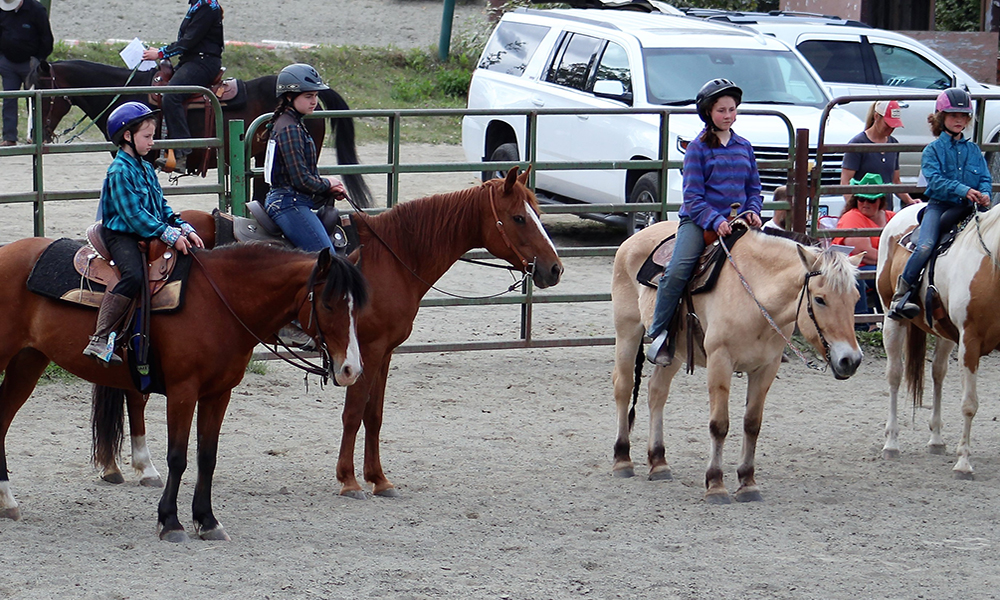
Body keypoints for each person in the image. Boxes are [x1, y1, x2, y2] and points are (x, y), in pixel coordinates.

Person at [645, 78, 763, 366]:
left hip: (738, 224)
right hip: (699, 222)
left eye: (732, 110)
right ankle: (660, 334)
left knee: (768, 265)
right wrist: (715, 219)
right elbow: (693, 196)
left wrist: (753, 210)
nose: (728, 115)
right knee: (677, 271)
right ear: (708, 112)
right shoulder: (698, 148)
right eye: (722, 110)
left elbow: (753, 189)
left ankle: (766, 335)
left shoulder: (744, 146)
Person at [83, 101, 204, 364]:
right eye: (147, 137)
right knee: (133, 276)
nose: (152, 142)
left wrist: (181, 225)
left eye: (153, 136)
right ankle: (100, 338)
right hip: (122, 235)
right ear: (128, 136)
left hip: (146, 230)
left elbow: (161, 206)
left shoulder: (147, 168)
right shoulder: (119, 170)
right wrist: (168, 234)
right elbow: (134, 216)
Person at [888, 88, 992, 321]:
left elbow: (985, 178)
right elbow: (935, 181)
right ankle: (901, 294)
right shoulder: (932, 151)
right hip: (940, 206)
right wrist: (964, 190)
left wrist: (985, 194)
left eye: (963, 116)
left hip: (971, 208)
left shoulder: (974, 150)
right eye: (953, 115)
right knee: (925, 245)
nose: (959, 120)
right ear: (941, 117)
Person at [262, 63, 348, 252]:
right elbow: (301, 179)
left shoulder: (289, 123)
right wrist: (328, 183)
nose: (314, 101)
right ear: (290, 97)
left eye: (316, 96)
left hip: (289, 199)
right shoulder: (290, 128)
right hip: (289, 203)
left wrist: (326, 189)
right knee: (330, 260)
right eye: (308, 96)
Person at [142, 0, 224, 173]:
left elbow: (189, 41)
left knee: (171, 95)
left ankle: (182, 153)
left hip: (202, 62)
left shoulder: (207, 7)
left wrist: (160, 53)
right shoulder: (200, 5)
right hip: (193, 60)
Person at [832, 172, 895, 319]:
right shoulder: (852, 216)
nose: (865, 203)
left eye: (871, 200)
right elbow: (864, 254)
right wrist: (896, 262)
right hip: (854, 268)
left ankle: (892, 320)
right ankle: (863, 324)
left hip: (883, 265)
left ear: (880, 201)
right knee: (884, 276)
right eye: (861, 198)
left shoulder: (891, 216)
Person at [840, 100, 918, 212]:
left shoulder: (893, 144)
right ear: (876, 117)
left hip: (885, 210)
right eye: (888, 125)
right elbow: (845, 181)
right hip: (865, 209)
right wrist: (855, 211)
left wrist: (910, 201)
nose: (891, 129)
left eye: (894, 126)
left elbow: (895, 180)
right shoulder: (858, 144)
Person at [0, 0, 52, 146]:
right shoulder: (2, 11)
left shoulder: (36, 9)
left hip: (31, 63)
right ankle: (9, 137)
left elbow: (46, 38)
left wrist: (38, 61)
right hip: (8, 63)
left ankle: (35, 135)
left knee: (34, 100)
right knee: (9, 99)